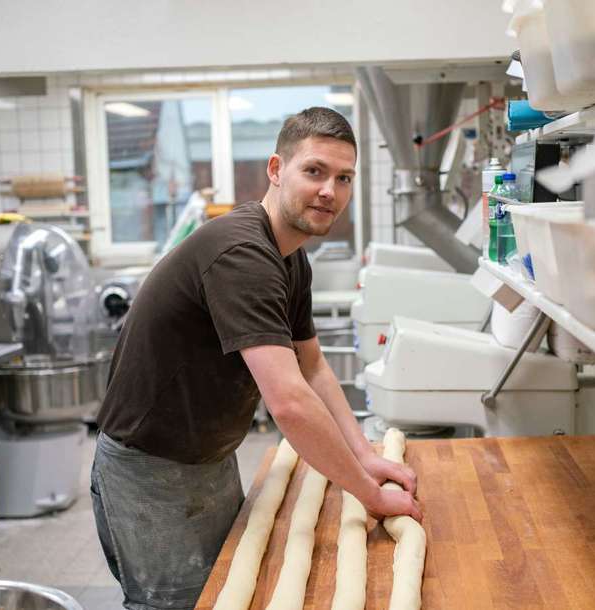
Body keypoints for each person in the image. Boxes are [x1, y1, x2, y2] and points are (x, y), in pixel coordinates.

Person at [90, 106, 422, 610]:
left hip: (207, 455)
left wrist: (364, 455)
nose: (329, 190)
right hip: (150, 469)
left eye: (343, 178)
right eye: (314, 171)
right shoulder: (242, 254)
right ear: (275, 169)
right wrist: (369, 495)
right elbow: (289, 402)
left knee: (224, 591)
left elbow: (312, 367)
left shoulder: (291, 257)